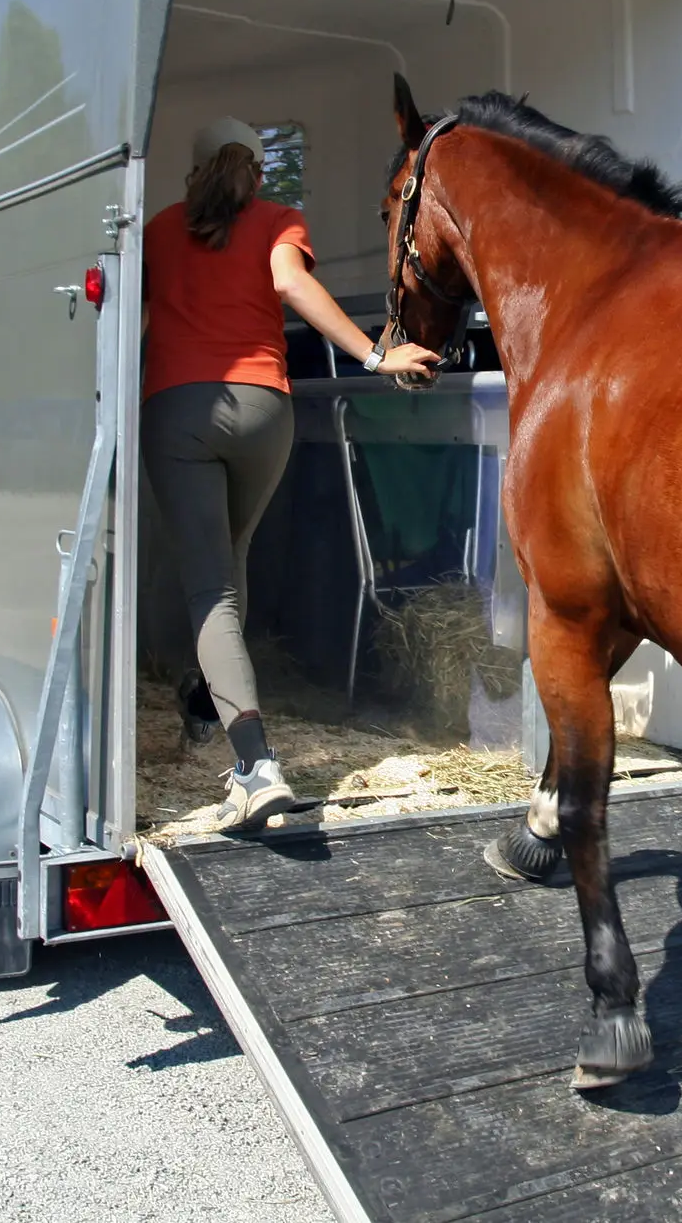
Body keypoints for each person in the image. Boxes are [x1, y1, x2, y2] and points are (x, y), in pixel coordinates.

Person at [142, 118, 439, 829]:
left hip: (181, 405)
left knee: (209, 587)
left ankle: (254, 767)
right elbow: (288, 283)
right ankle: (204, 690)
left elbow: (146, 320)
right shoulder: (279, 219)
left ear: (193, 172)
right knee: (232, 563)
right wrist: (374, 355)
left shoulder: (158, 228)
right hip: (265, 409)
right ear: (259, 172)